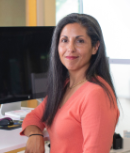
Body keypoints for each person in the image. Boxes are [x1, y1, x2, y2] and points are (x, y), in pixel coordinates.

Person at [20, 13, 120, 153]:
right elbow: (34, 117)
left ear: (95, 47)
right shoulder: (64, 85)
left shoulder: (96, 94)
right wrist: (35, 134)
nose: (70, 48)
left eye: (80, 41)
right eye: (64, 40)